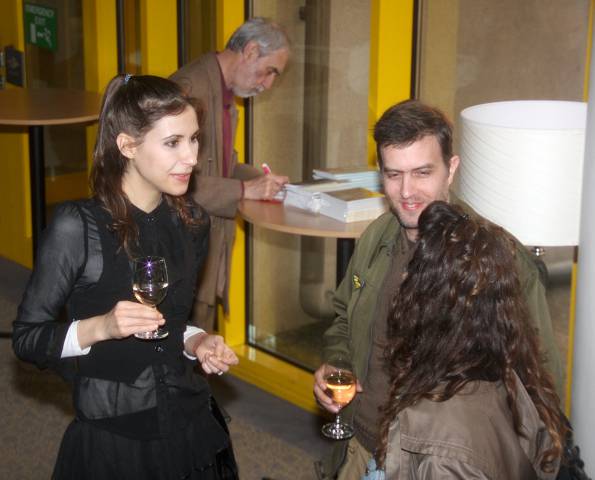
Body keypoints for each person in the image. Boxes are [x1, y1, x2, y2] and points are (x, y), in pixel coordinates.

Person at [313, 100, 564, 480]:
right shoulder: (376, 237)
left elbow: (541, 383)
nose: (407, 191)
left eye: (422, 172)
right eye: (393, 175)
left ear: (451, 169)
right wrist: (336, 362)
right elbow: (344, 318)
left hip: (441, 463)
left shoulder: (495, 261)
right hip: (362, 447)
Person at [12, 74, 239, 479]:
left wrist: (197, 341)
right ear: (127, 146)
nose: (191, 157)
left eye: (194, 139)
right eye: (173, 143)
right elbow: (27, 339)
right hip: (113, 433)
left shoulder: (192, 223)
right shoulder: (78, 227)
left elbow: (171, 322)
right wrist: (101, 327)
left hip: (186, 417)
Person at [366, 200, 566, 479]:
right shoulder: (512, 377)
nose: (403, 277)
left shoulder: (444, 449)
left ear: (431, 303)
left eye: (414, 271)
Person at [171, 17, 290, 330]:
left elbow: (223, 166)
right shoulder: (189, 91)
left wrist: (261, 181)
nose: (268, 85)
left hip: (202, 244)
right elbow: (170, 178)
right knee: (186, 342)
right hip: (180, 251)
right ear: (250, 51)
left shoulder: (223, 93)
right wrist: (244, 191)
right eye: (269, 71)